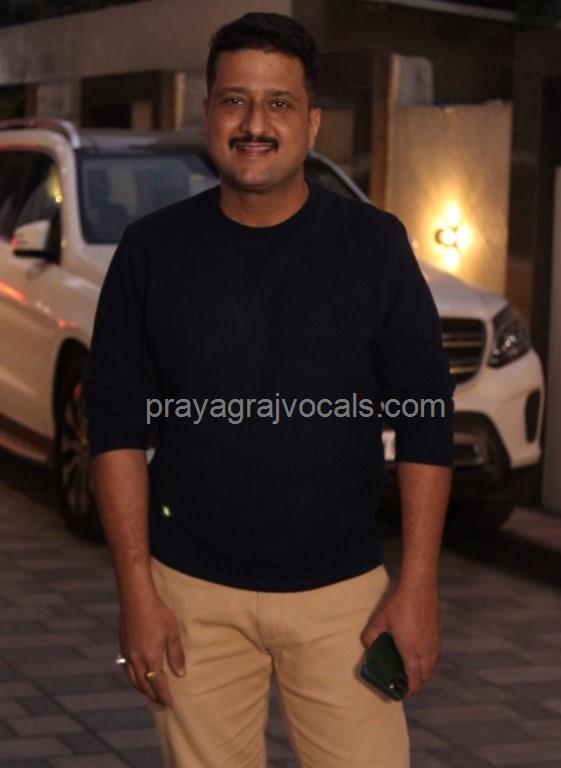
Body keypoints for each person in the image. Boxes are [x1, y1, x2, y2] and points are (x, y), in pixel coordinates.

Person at [83, 11, 454, 768]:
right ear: (209, 113)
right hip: (190, 598)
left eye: (279, 103)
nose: (255, 124)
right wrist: (136, 593)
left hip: (345, 599)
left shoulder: (375, 246)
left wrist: (417, 584)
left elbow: (426, 418)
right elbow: (115, 429)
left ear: (311, 123)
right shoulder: (151, 252)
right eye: (235, 100)